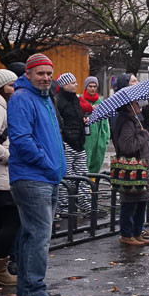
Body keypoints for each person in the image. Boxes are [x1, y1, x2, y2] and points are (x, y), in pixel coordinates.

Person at [7, 54, 67, 296]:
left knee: (33, 235)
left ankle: (29, 288)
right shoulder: (22, 99)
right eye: (40, 73)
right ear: (28, 74)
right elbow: (21, 139)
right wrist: (47, 162)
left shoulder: (42, 99)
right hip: (33, 177)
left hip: (45, 176)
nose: (45, 78)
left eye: (48, 74)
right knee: (38, 236)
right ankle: (33, 290)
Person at [110, 98, 149, 246]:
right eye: (136, 103)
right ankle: (127, 234)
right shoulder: (126, 122)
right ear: (128, 106)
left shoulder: (133, 119)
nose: (139, 106)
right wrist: (144, 134)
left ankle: (136, 232)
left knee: (141, 201)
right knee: (130, 203)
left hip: (140, 168)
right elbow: (128, 146)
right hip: (131, 169)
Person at [54, 72, 91, 215]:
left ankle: (86, 206)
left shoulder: (75, 100)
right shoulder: (58, 101)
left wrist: (83, 121)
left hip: (79, 143)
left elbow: (76, 117)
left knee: (82, 176)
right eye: (73, 82)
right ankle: (65, 208)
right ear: (64, 85)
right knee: (67, 179)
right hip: (67, 144)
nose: (76, 84)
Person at [0, 68, 19, 285]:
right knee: (12, 219)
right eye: (11, 85)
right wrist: (8, 156)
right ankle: (0, 269)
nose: (14, 88)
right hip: (0, 176)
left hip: (0, 175)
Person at [81, 76, 109, 174]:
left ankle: (93, 183)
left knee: (97, 160)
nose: (92, 89)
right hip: (86, 137)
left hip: (99, 137)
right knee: (85, 160)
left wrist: (106, 137)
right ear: (86, 87)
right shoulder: (81, 100)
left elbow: (105, 122)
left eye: (94, 86)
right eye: (90, 86)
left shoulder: (100, 103)